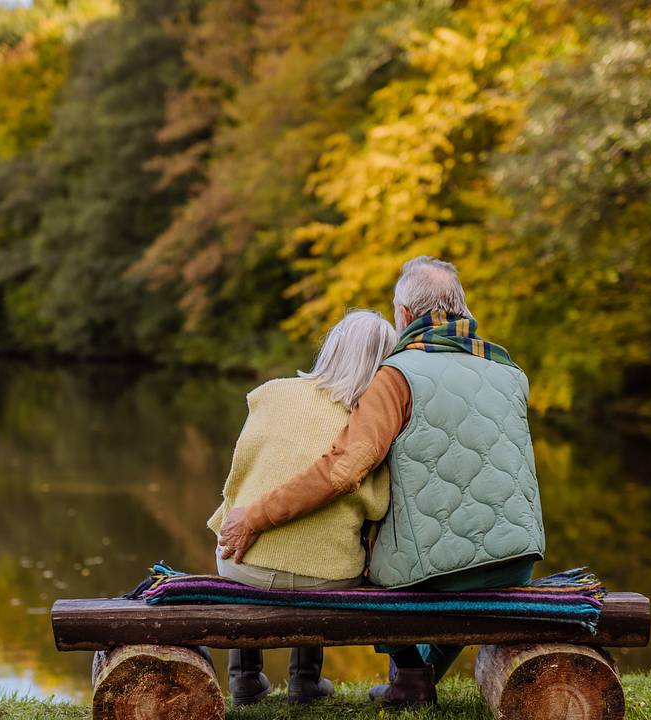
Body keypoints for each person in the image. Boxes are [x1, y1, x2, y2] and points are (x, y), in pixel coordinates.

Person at [219, 256, 545, 708]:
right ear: (462, 310)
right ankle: (417, 678)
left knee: (383, 558)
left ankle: (411, 675)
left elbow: (344, 470)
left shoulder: (398, 376)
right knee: (458, 555)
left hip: (437, 574)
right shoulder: (510, 372)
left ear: (407, 316)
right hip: (519, 561)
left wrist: (256, 516)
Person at [207, 309, 396, 705]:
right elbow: (377, 507)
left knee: (237, 537)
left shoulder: (272, 393)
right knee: (334, 544)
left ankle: (245, 677)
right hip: (327, 580)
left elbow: (239, 476)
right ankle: (305, 681)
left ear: (332, 347)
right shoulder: (368, 427)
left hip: (243, 564)